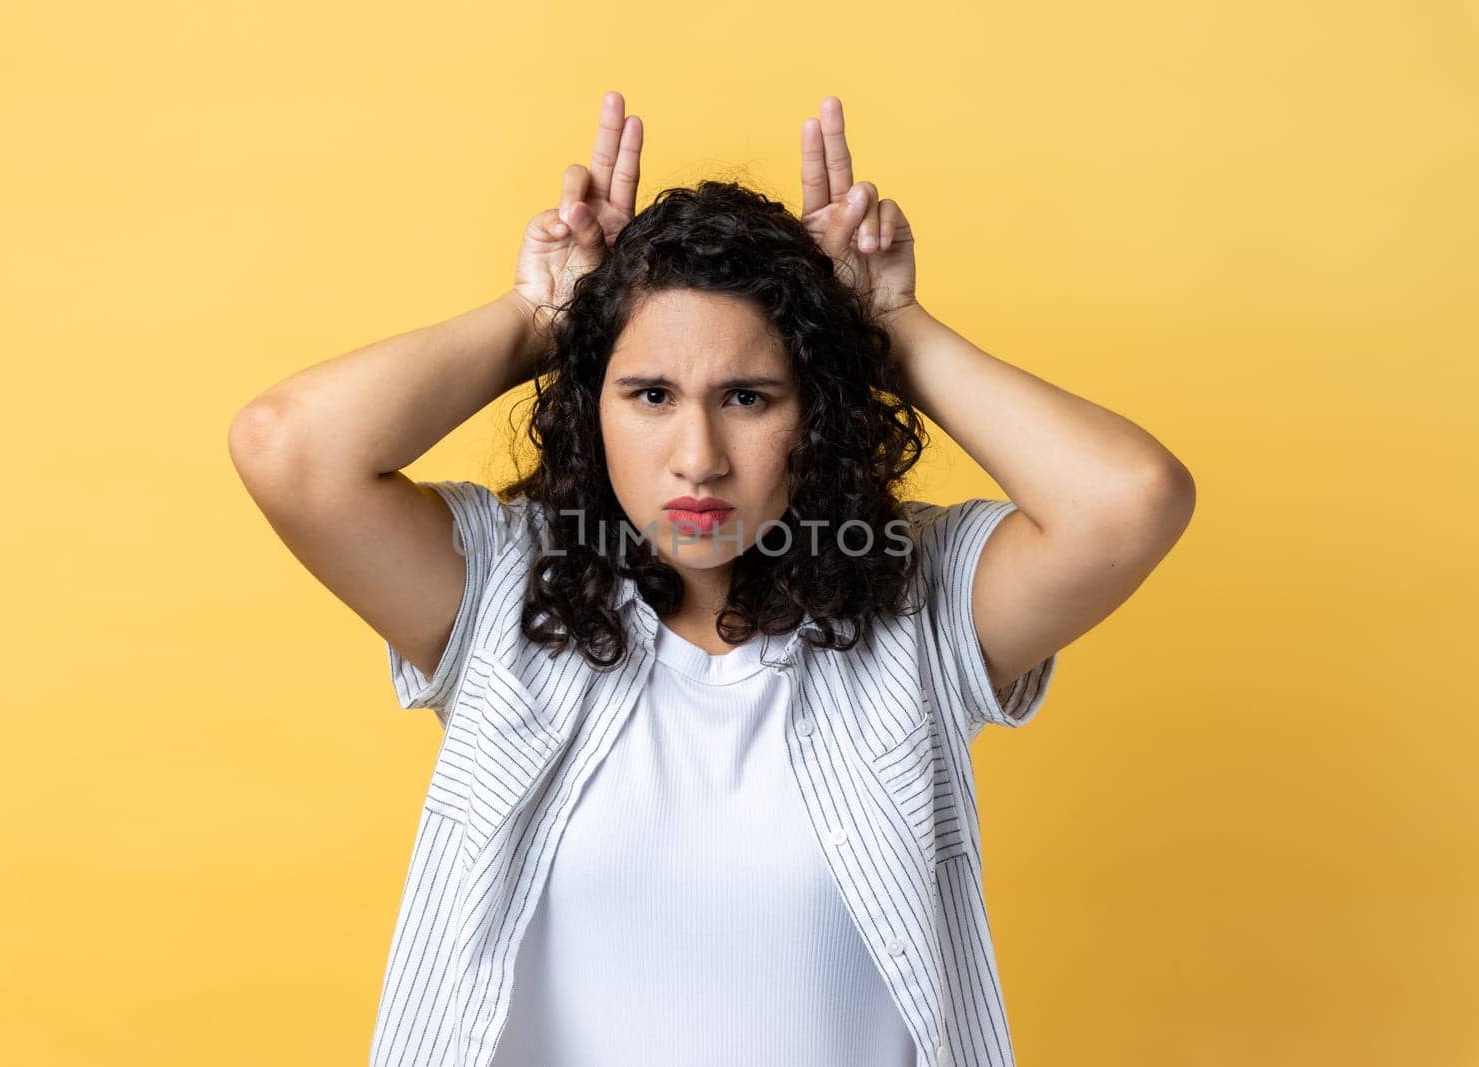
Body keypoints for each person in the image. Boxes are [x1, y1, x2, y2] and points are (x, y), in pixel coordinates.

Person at [228, 91, 1195, 1067]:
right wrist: (538, 317)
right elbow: (287, 447)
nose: (698, 456)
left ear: (812, 412)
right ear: (589, 403)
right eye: (649, 393)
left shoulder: (919, 606)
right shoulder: (502, 594)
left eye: (747, 396)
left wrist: (889, 329)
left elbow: (1128, 499)